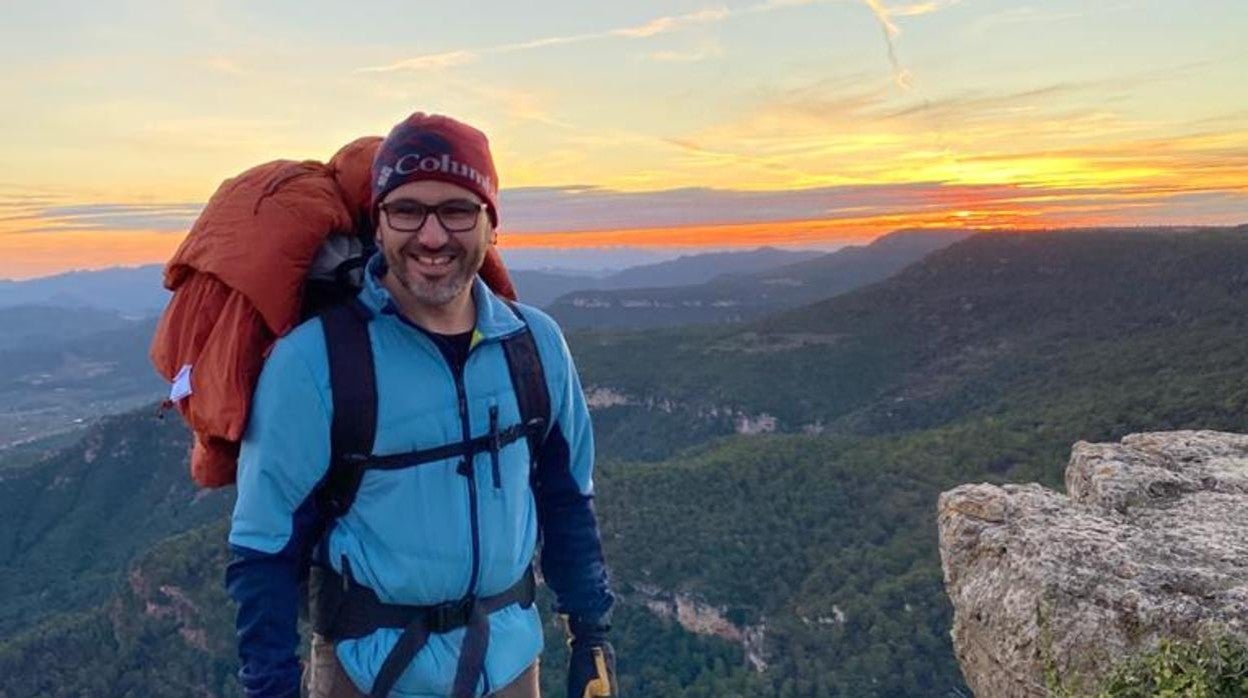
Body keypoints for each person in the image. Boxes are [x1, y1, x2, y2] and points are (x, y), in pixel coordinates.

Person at [226, 112, 618, 698]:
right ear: (379, 226)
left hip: (509, 664)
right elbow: (264, 547)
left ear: (491, 226)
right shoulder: (316, 362)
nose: (431, 237)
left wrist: (591, 636)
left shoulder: (535, 347)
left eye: (457, 211)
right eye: (407, 210)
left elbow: (565, 500)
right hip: (369, 673)